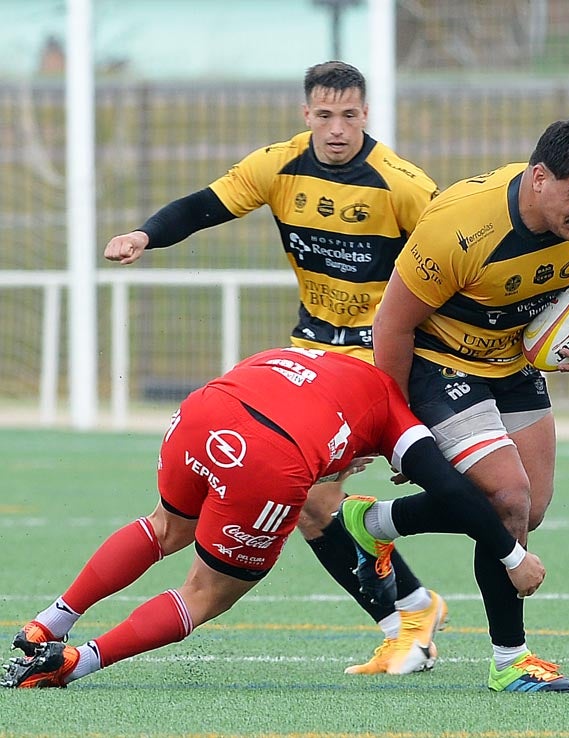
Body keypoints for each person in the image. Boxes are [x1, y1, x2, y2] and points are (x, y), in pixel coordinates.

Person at [100, 61, 447, 676]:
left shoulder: (403, 185)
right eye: (324, 115)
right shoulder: (279, 165)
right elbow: (205, 206)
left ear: (365, 115)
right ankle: (412, 613)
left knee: (314, 502)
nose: (336, 128)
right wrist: (145, 235)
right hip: (309, 344)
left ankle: (409, 621)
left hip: (375, 355)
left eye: (349, 115)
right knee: (312, 506)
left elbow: (449, 260)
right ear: (305, 114)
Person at [2, 347, 546, 689]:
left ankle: (48, 623)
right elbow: (454, 489)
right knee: (206, 592)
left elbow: (302, 408)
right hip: (268, 459)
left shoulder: (316, 357)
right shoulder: (395, 405)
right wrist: (513, 556)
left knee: (166, 527)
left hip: (203, 411)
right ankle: (76, 662)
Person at [370, 117, 569, 693]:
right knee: (508, 498)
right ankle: (510, 661)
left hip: (515, 363)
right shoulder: (459, 226)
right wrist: (395, 427)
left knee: (527, 511)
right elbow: (391, 327)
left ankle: (375, 522)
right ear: (539, 178)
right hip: (441, 364)